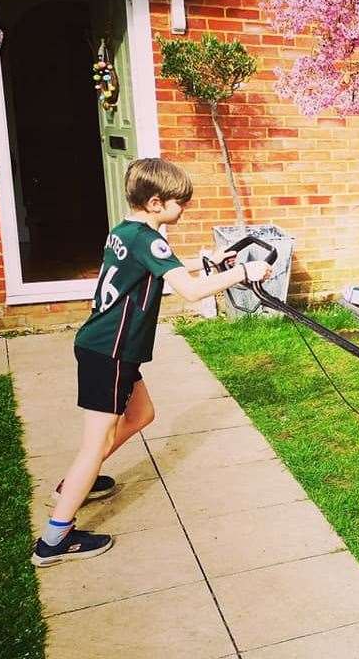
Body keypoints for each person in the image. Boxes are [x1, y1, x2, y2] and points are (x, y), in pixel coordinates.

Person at [31, 158, 271, 566]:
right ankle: (54, 539)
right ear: (157, 202)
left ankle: (75, 483)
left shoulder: (126, 232)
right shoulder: (152, 241)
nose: (186, 210)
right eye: (181, 204)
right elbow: (191, 293)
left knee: (141, 415)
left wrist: (211, 261)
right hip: (110, 354)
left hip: (104, 348)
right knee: (96, 444)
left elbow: (160, 267)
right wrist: (242, 273)